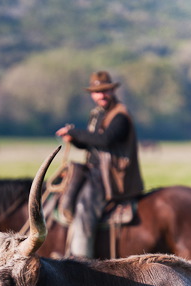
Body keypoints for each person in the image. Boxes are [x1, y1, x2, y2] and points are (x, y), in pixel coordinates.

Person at [55, 70, 143, 257]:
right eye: (97, 92)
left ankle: (80, 260)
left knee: (84, 208)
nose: (101, 95)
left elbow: (106, 140)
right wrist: (75, 139)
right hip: (94, 169)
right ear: (92, 94)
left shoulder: (120, 116)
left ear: (112, 91)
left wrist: (77, 132)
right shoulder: (97, 114)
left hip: (111, 175)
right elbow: (92, 143)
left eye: (105, 91)